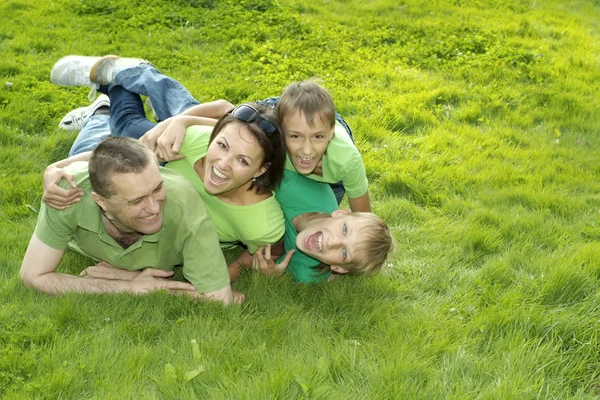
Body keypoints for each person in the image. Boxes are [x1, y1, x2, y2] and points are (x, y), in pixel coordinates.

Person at [47, 55, 287, 279]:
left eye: (243, 161)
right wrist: (55, 168)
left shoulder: (262, 222)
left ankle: (100, 113)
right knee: (124, 128)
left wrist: (228, 272)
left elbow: (269, 251)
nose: (223, 164)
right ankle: (115, 81)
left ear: (261, 170)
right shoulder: (195, 141)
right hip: (159, 156)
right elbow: (119, 155)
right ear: (213, 138)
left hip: (164, 165)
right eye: (221, 146)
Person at [50, 55, 370, 212]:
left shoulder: (343, 162)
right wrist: (181, 123)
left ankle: (101, 111)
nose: (306, 151)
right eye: (295, 137)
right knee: (158, 129)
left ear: (329, 136)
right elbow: (222, 113)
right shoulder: (273, 131)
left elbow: (361, 220)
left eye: (317, 139)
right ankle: (126, 73)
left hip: (311, 162)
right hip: (276, 122)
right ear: (282, 130)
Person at [20, 136, 242, 304]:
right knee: (95, 133)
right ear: (101, 202)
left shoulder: (183, 202)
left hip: (120, 154)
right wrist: (128, 286)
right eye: (136, 201)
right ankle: (100, 109)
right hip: (91, 157)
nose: (154, 207)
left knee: (124, 128)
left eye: (157, 188)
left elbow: (220, 299)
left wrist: (132, 278)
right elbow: (33, 275)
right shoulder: (68, 193)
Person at [251, 170, 392, 283]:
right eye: (344, 229)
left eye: (344, 253)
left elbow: (267, 260)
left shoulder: (306, 273)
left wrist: (273, 273)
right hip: (324, 187)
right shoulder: (293, 183)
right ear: (341, 213)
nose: (332, 242)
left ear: (338, 268)